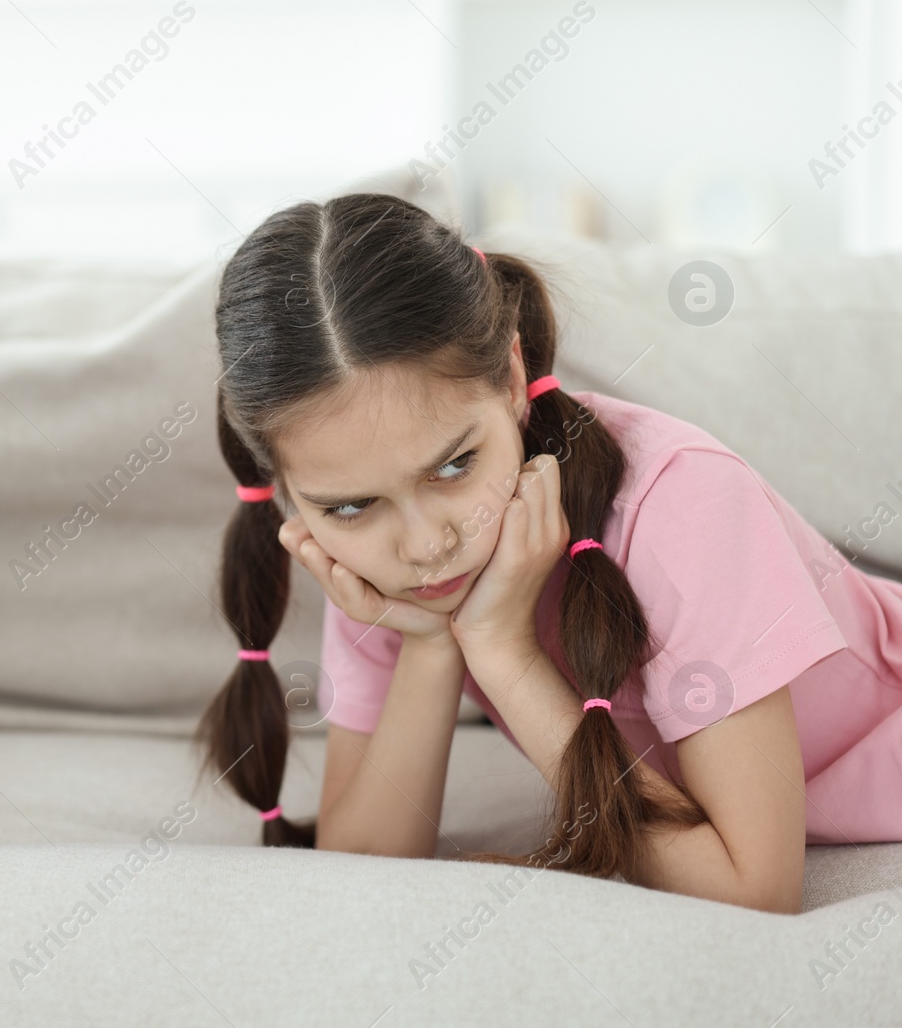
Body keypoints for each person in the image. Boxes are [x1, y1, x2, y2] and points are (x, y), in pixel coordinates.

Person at [197, 192, 899, 914]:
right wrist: (432, 645)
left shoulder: (684, 505)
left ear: (509, 377)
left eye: (454, 466)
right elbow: (366, 860)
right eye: (348, 505)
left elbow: (752, 890)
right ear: (286, 492)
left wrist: (505, 654)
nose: (427, 545)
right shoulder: (379, 562)